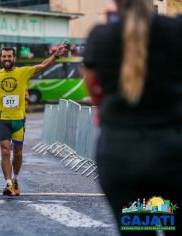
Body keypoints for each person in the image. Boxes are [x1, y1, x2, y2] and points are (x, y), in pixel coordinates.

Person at [83, 0, 182, 235]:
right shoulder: (176, 30)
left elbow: (94, 89)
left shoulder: (100, 37)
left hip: (120, 154)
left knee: (136, 229)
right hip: (172, 152)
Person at [0, 45, 67, 195]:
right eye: (4, 56)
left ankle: (15, 180)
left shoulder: (23, 72)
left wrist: (56, 55)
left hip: (19, 120)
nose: (6, 59)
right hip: (3, 120)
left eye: (9, 56)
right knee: (5, 151)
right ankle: (8, 184)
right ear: (0, 58)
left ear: (13, 58)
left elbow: (43, 65)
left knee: (18, 154)